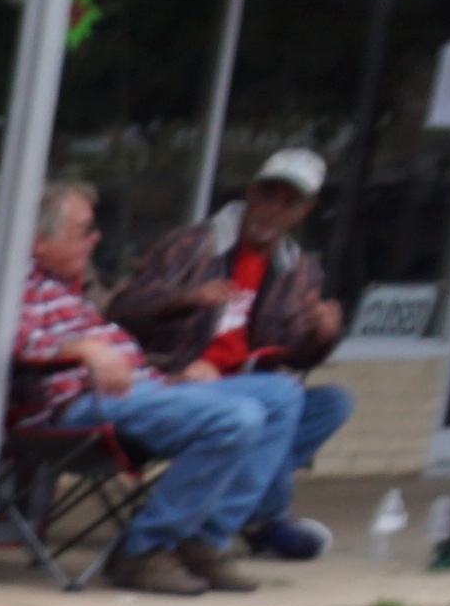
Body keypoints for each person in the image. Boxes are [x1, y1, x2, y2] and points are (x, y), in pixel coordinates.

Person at [5, 182, 299, 592]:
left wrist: (169, 377)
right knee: (237, 417)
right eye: (84, 231)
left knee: (282, 395)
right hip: (74, 404)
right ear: (39, 241)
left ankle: (201, 543)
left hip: (142, 390)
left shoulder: (75, 291)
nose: (97, 238)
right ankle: (143, 550)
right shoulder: (5, 288)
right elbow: (2, 343)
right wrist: (82, 347)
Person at [110, 145, 357, 559]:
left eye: (288, 202)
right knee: (278, 401)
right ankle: (258, 521)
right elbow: (120, 314)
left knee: (333, 402)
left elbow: (298, 356)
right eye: (267, 195)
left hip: (252, 391)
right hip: (178, 384)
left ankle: (246, 511)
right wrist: (184, 299)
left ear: (306, 209)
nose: (272, 210)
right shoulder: (189, 245)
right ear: (250, 191)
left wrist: (322, 335)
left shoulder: (299, 268)